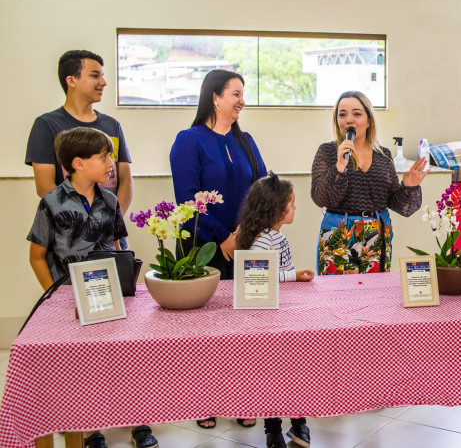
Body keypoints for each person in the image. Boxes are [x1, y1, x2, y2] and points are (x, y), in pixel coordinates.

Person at [27, 127, 158, 448]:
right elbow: (37, 257)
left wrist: (129, 286)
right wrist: (56, 297)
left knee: (123, 360)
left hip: (111, 296)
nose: (111, 163)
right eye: (103, 157)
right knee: (84, 368)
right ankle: (89, 427)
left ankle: (136, 420)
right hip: (72, 302)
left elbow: (118, 246)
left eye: (111, 155)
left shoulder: (109, 200)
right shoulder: (51, 204)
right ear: (78, 163)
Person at [169, 69, 266, 430]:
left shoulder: (246, 141)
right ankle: (203, 399)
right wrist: (222, 238)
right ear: (214, 97)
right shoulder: (188, 140)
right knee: (204, 328)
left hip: (246, 245)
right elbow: (187, 200)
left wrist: (243, 233)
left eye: (243, 94)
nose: (242, 101)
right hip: (202, 247)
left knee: (246, 326)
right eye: (236, 94)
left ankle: (243, 397)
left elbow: (262, 191)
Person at [25, 50, 133, 248]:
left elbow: (125, 180)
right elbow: (44, 186)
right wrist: (84, 224)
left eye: (102, 75)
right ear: (71, 80)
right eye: (94, 75)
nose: (103, 82)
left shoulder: (112, 126)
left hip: (110, 237)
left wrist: (109, 221)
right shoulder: (46, 125)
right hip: (70, 237)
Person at [311, 91, 426, 274]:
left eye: (357, 114)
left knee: (376, 294)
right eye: (342, 114)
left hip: (377, 234)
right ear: (336, 120)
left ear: (369, 120)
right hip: (339, 233)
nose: (349, 119)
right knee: (338, 295)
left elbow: (397, 204)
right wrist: (339, 166)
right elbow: (320, 198)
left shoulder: (384, 155)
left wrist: (410, 186)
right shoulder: (327, 152)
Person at [237, 172, 313, 448]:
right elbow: (260, 276)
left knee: (293, 369)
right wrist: (293, 276)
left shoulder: (276, 236)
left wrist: (294, 274)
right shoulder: (263, 240)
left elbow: (280, 270)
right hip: (266, 317)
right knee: (274, 372)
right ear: (278, 210)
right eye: (291, 204)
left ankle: (298, 421)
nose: (295, 208)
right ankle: (273, 429)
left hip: (282, 311)